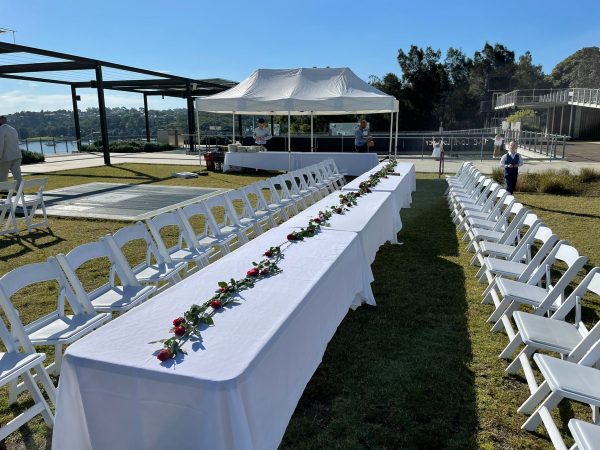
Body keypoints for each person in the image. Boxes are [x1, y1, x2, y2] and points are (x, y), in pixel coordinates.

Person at [0, 116, 22, 185]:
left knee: (3, 177)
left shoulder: (1, 130)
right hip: (17, 156)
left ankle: (4, 193)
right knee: (17, 176)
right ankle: (20, 191)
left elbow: (1, 144)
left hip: (6, 157)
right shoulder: (13, 129)